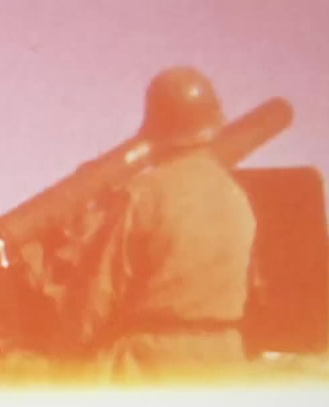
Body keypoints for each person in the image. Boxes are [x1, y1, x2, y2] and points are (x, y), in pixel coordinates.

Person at [62, 66, 259, 384]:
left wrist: (69, 355)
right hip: (225, 364)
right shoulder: (236, 197)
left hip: (152, 366)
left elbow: (99, 295)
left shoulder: (143, 194)